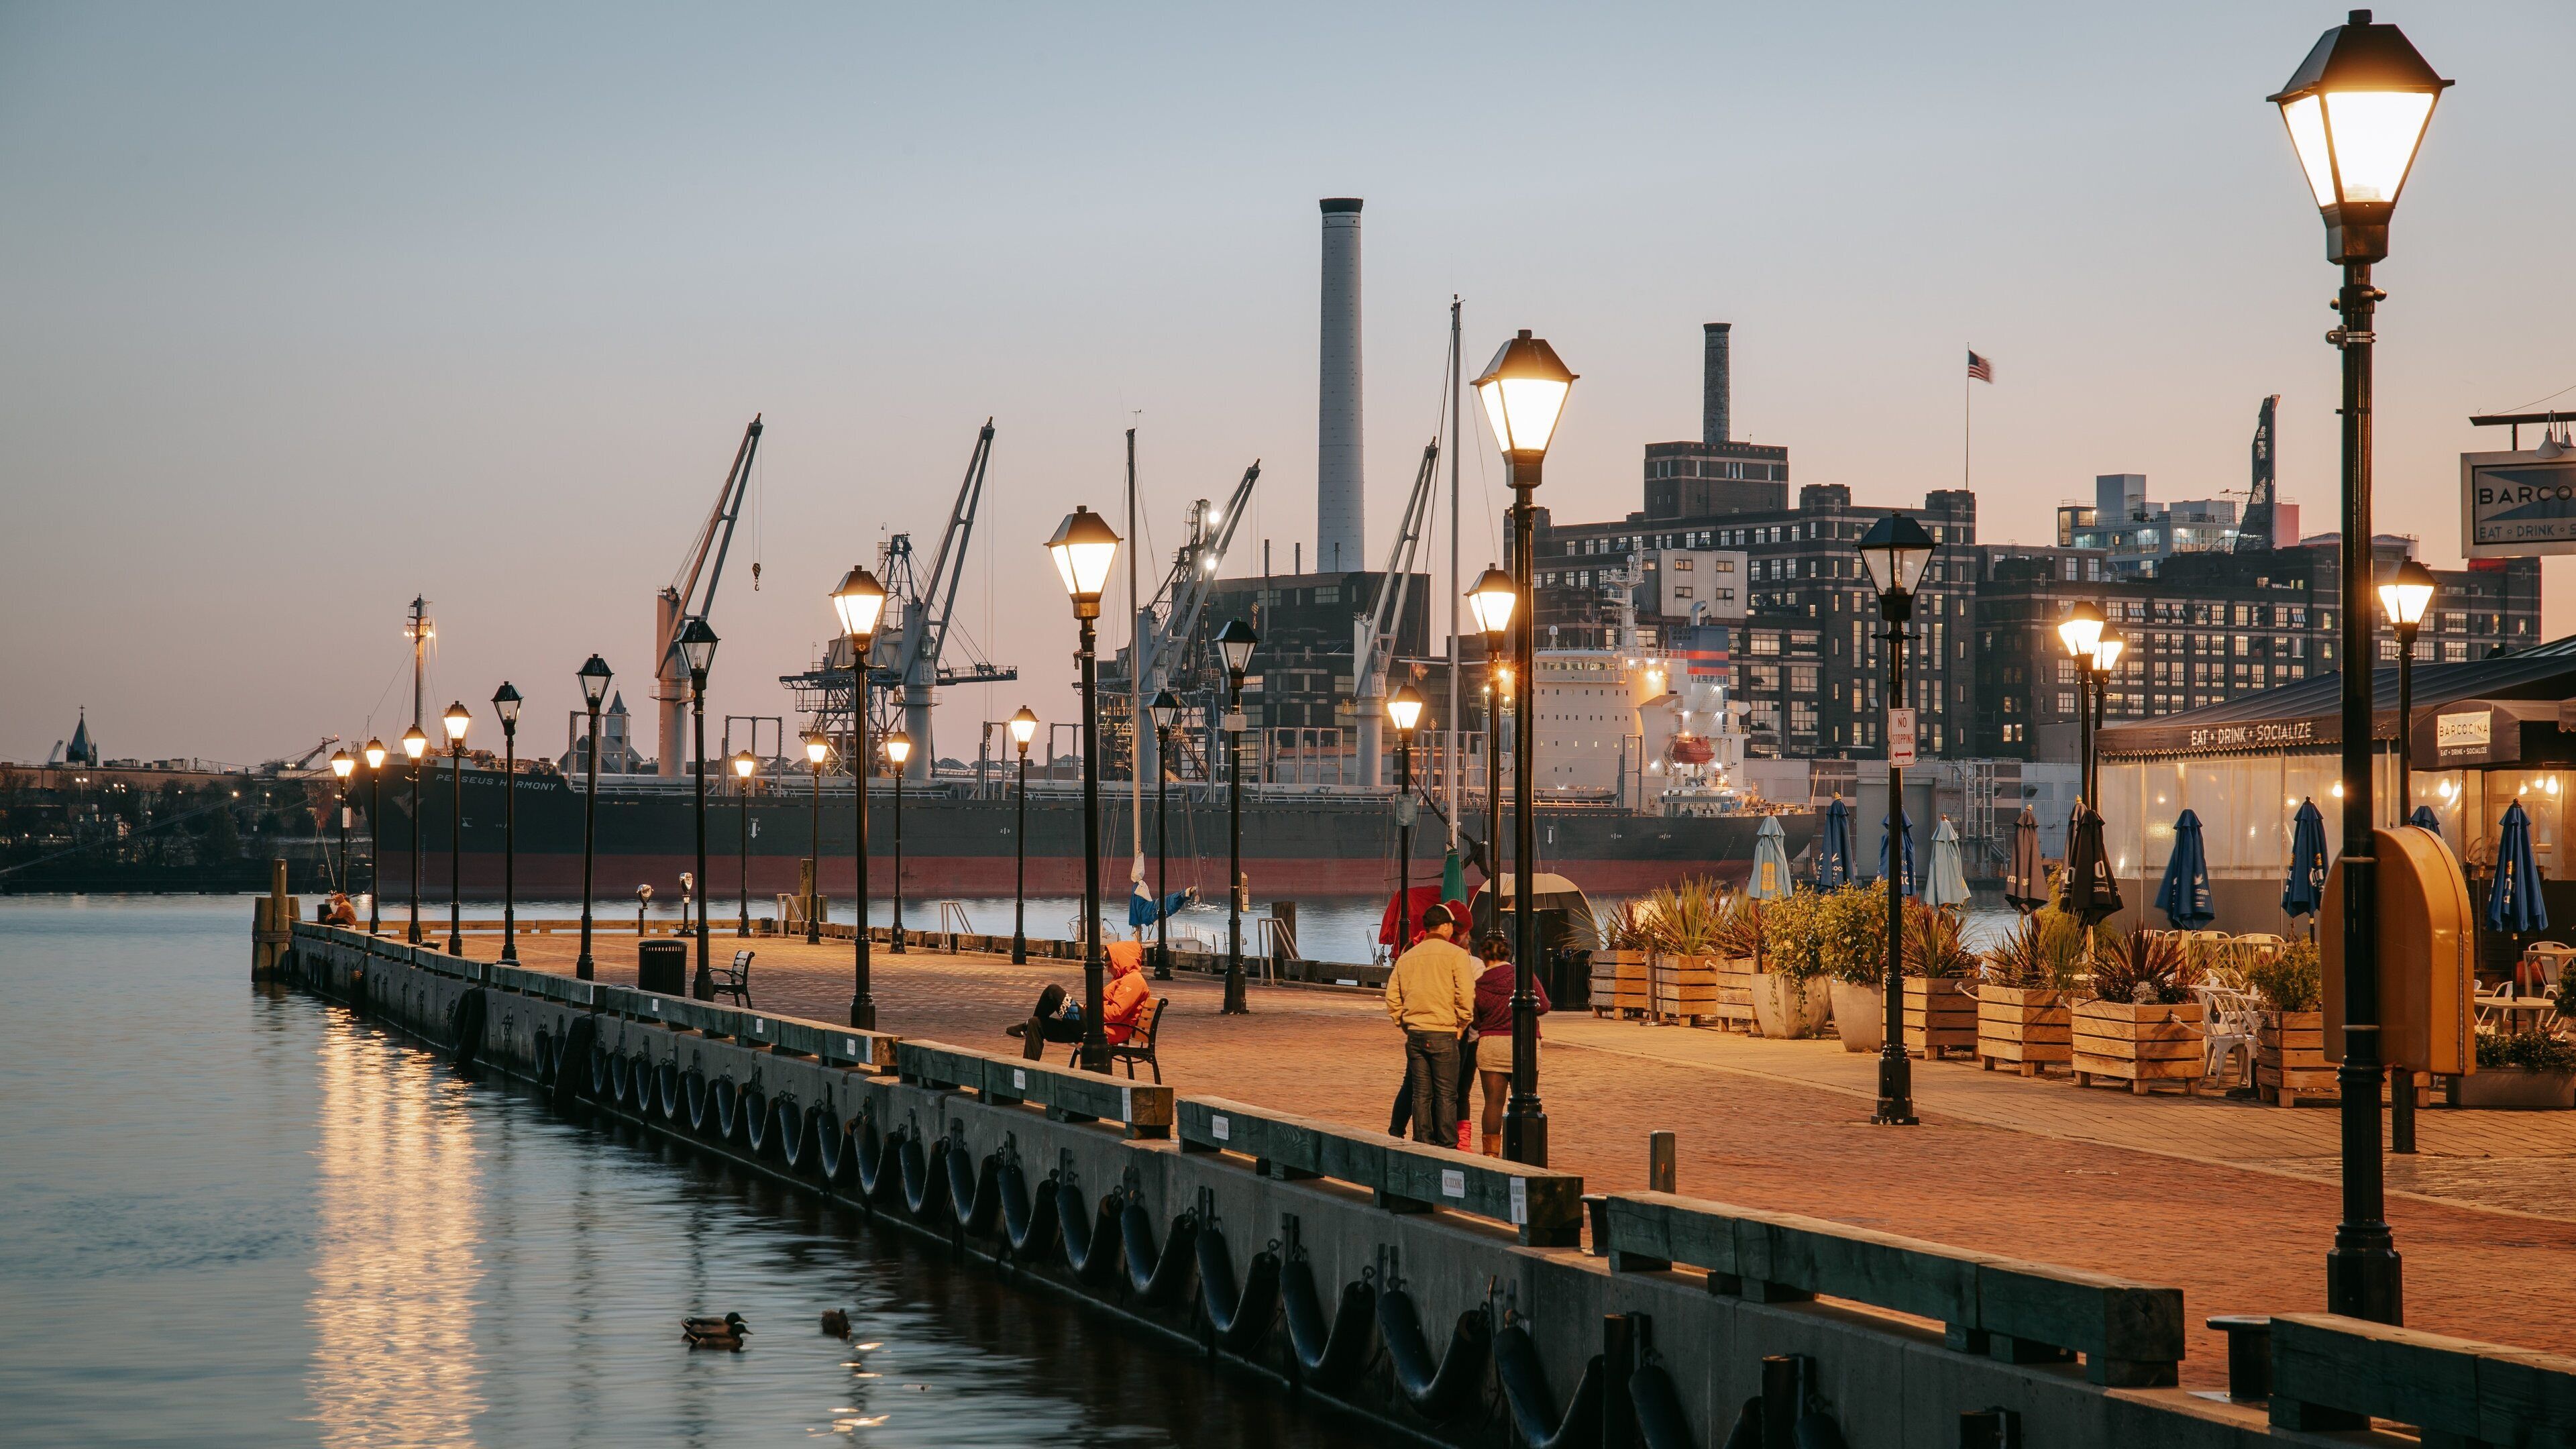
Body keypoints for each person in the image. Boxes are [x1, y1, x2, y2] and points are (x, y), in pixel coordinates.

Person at [1382, 902, 1477, 1147]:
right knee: (1447, 1094)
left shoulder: (1409, 955)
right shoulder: (1456, 955)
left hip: (1416, 1032)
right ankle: (1446, 1144)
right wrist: (1461, 1024)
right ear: (1446, 927)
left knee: (1421, 1093)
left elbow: (1392, 995)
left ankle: (1422, 1141)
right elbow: (1466, 994)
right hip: (1445, 1031)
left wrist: (1402, 1021)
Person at [1009, 938, 1150, 1061]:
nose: (1108, 970)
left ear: (1120, 961)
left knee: (1053, 991)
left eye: (1109, 966)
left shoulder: (1134, 981)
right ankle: (1027, 1074)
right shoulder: (1122, 979)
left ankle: (1025, 1026)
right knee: (1037, 1024)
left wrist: (1090, 1008)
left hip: (1101, 1031)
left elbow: (1116, 1012)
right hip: (1094, 1024)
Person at [1472, 931, 1549, 1157]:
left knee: (1493, 1103)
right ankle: (1525, 1150)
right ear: (1508, 952)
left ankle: (1491, 1153)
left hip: (1491, 1045)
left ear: (1483, 957)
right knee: (1526, 1099)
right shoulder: (1524, 976)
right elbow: (1543, 1005)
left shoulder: (1479, 985)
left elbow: (1476, 1021)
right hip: (1525, 1046)